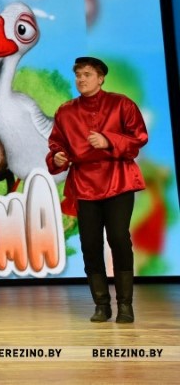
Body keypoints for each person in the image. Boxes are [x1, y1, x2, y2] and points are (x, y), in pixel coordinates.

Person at [46, 57, 148, 324]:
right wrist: (58, 157)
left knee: (118, 238)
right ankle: (101, 305)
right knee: (90, 244)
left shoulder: (121, 104)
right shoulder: (66, 111)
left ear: (101, 78)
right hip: (85, 184)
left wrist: (108, 140)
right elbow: (56, 145)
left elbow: (139, 138)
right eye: (78, 75)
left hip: (118, 180)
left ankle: (125, 305)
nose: (81, 79)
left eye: (87, 74)